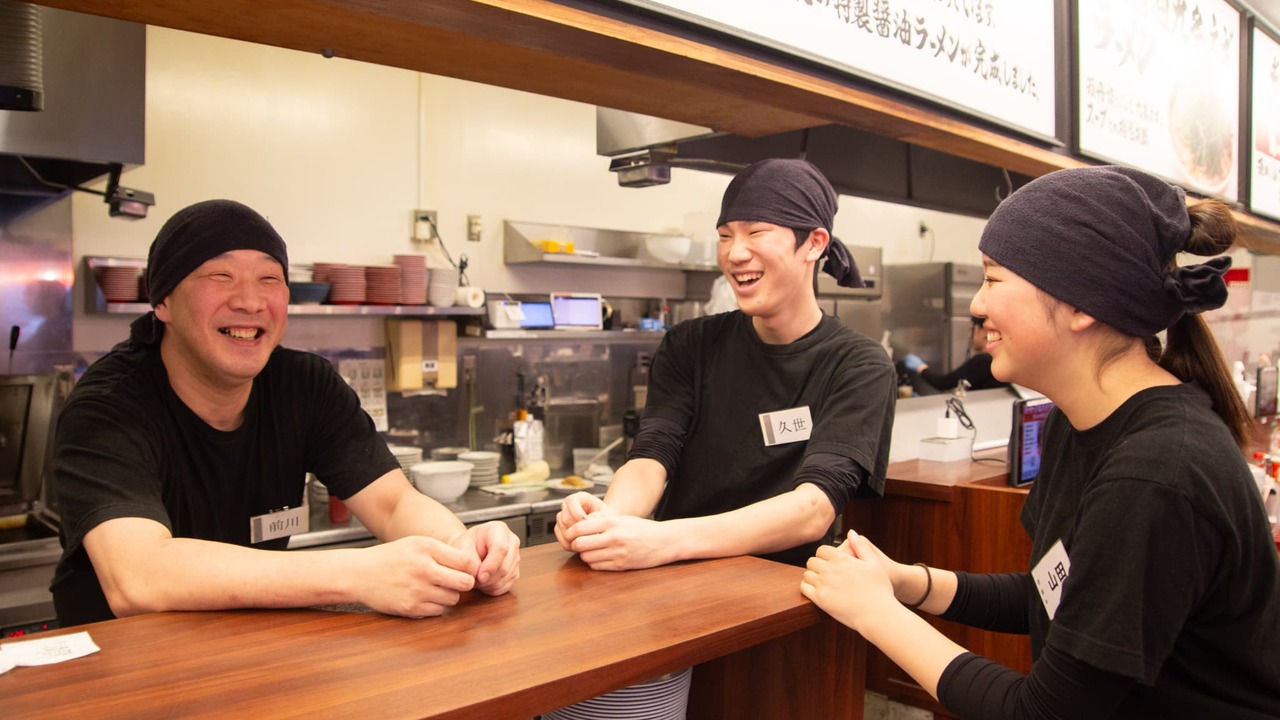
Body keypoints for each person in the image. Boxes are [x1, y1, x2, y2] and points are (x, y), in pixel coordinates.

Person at [801, 166, 1280, 718]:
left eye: (995, 278)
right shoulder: (1074, 426)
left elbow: (1044, 713)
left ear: (1082, 304)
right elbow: (1053, 596)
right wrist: (910, 582)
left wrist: (877, 614)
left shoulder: (1155, 472)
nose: (977, 306)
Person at [50, 199, 520, 627]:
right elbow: (138, 578)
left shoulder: (304, 385)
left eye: (269, 279)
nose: (250, 301)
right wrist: (358, 573)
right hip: (121, 669)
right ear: (163, 301)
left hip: (256, 649)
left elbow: (393, 503)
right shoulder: (108, 406)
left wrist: (463, 549)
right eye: (220, 276)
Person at [548, 158, 897, 718]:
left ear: (814, 243)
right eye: (725, 236)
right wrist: (608, 522)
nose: (736, 253)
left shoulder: (858, 364)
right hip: (677, 606)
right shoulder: (692, 344)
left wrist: (658, 541)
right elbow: (652, 455)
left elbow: (813, 509)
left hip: (786, 615)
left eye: (757, 233)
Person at [902, 316, 1007, 393]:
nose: (969, 335)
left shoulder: (983, 361)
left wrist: (920, 367)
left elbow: (943, 383)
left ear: (984, 331)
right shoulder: (1000, 359)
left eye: (972, 330)